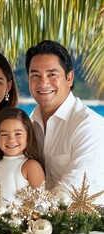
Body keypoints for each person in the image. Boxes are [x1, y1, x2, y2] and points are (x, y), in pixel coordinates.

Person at [25, 40, 104, 203]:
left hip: (86, 225)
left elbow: (69, 192)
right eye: (35, 75)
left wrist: (23, 211)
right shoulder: (29, 126)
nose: (43, 82)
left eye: (52, 74)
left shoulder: (90, 126)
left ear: (69, 78)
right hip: (39, 222)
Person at [0, 107, 45, 203]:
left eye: (18, 134)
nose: (11, 140)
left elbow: (40, 205)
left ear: (28, 136)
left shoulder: (31, 166)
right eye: (4, 134)